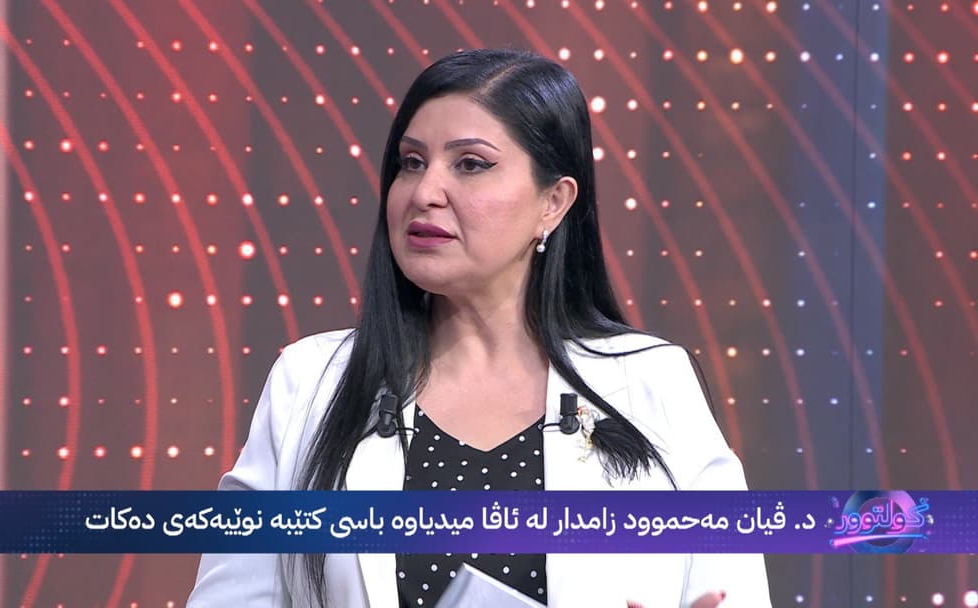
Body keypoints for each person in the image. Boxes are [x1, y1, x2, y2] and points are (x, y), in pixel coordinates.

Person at [188, 48, 772, 608]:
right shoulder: (311, 382)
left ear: (553, 202)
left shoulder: (651, 383)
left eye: (470, 164)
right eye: (411, 163)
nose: (425, 192)